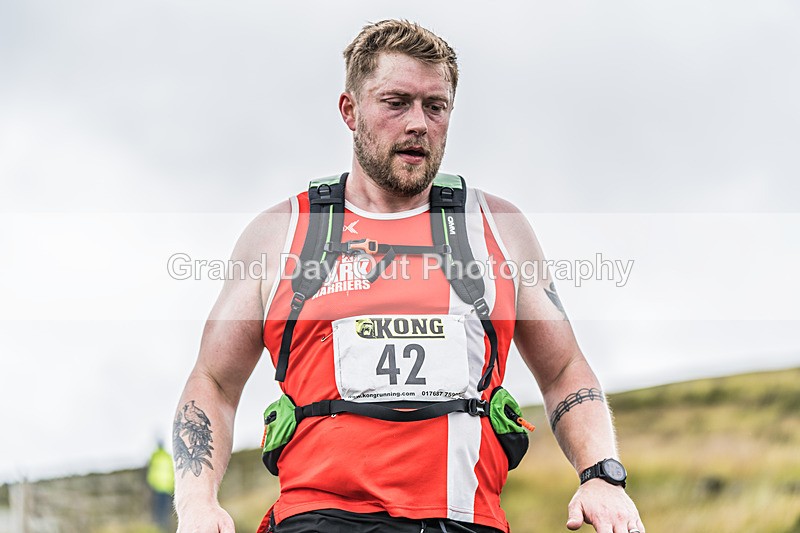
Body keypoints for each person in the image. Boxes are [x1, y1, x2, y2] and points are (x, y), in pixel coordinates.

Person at [172, 19, 645, 533]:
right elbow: (214, 381)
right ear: (350, 110)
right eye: (396, 102)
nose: (418, 123)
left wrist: (601, 475)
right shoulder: (281, 232)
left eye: (434, 106)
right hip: (317, 520)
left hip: (464, 521)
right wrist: (197, 502)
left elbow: (563, 369)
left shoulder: (497, 227)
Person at [146, 440, 175, 532]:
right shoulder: (167, 456)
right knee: (164, 508)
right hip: (166, 486)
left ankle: (162, 525)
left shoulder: (155, 456)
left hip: (159, 487)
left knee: (160, 508)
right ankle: (163, 525)